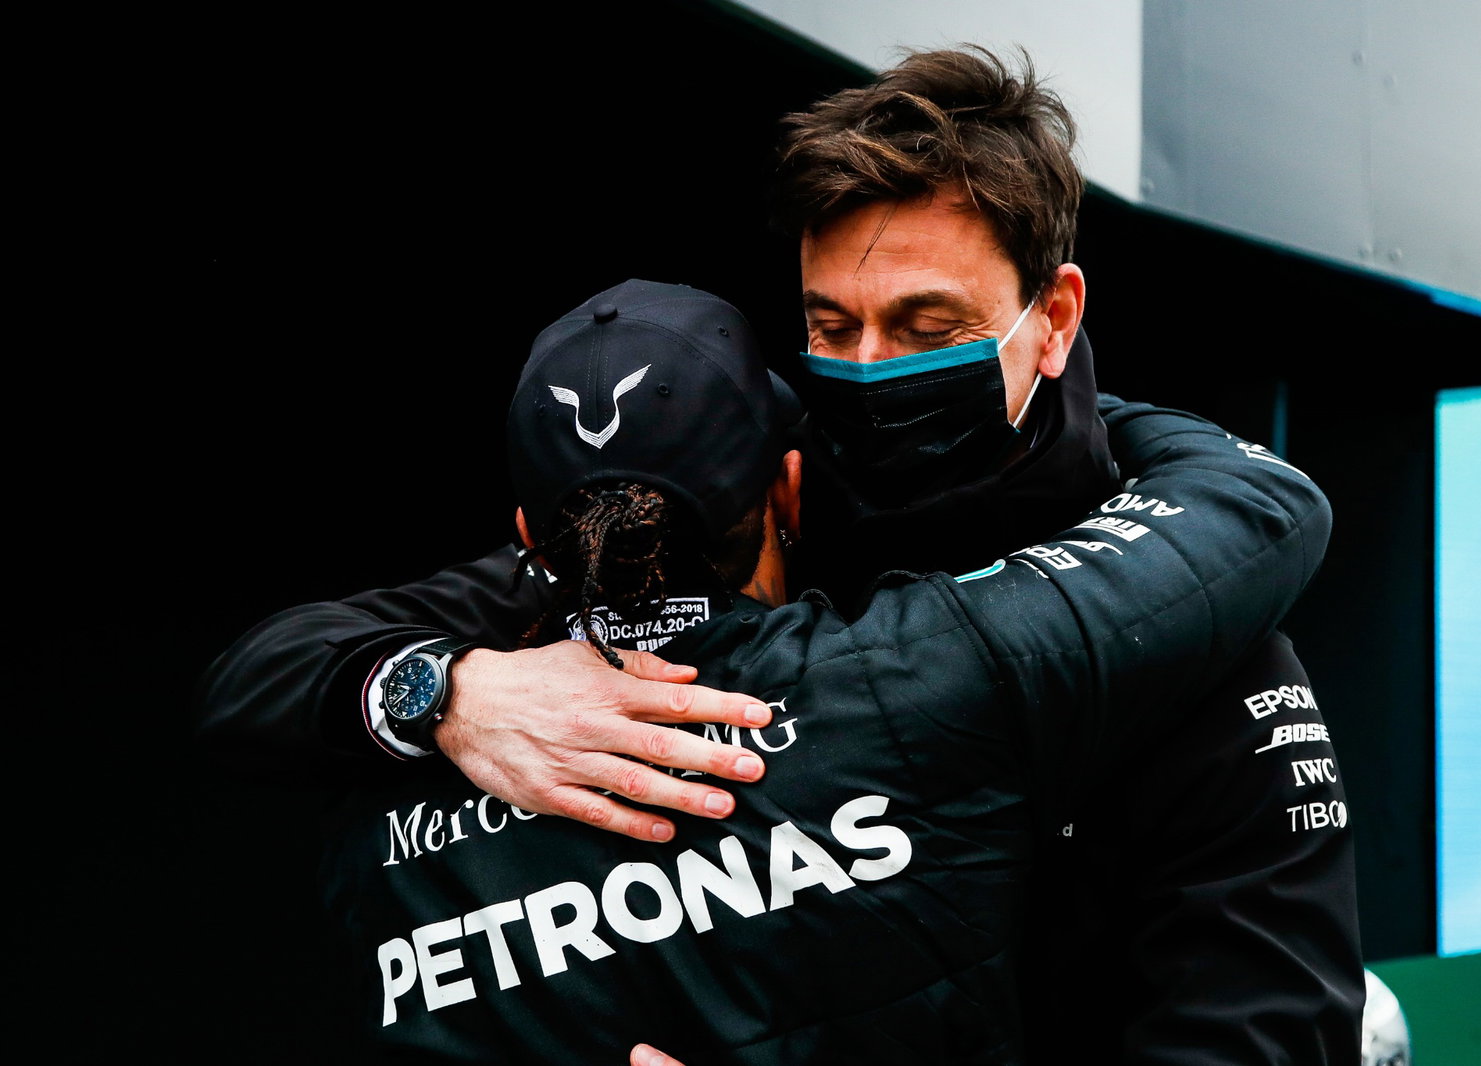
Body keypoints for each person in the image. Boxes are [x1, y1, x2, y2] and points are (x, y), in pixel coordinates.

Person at [195, 44, 1364, 1061]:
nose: (867, 368)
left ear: (1051, 320)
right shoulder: (764, 509)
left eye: (927, 327)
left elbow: (1258, 1030)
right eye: (828, 325)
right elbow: (271, 669)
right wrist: (450, 690)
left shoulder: (1203, 624)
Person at [319, 276, 1332, 1062]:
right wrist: (1076, 398)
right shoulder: (923, 675)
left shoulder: (375, 825)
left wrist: (442, 691)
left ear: (527, 536)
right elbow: (1254, 506)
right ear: (792, 493)